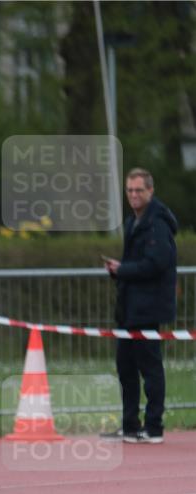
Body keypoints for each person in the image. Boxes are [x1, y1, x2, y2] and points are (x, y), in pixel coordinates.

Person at [102, 168, 178, 444]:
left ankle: (154, 426)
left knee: (150, 368)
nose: (134, 195)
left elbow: (156, 264)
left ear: (150, 191)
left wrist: (123, 270)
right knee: (125, 367)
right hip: (129, 308)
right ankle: (130, 424)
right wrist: (118, 271)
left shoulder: (157, 223)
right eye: (130, 190)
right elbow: (137, 265)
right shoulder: (133, 222)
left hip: (148, 308)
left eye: (139, 190)